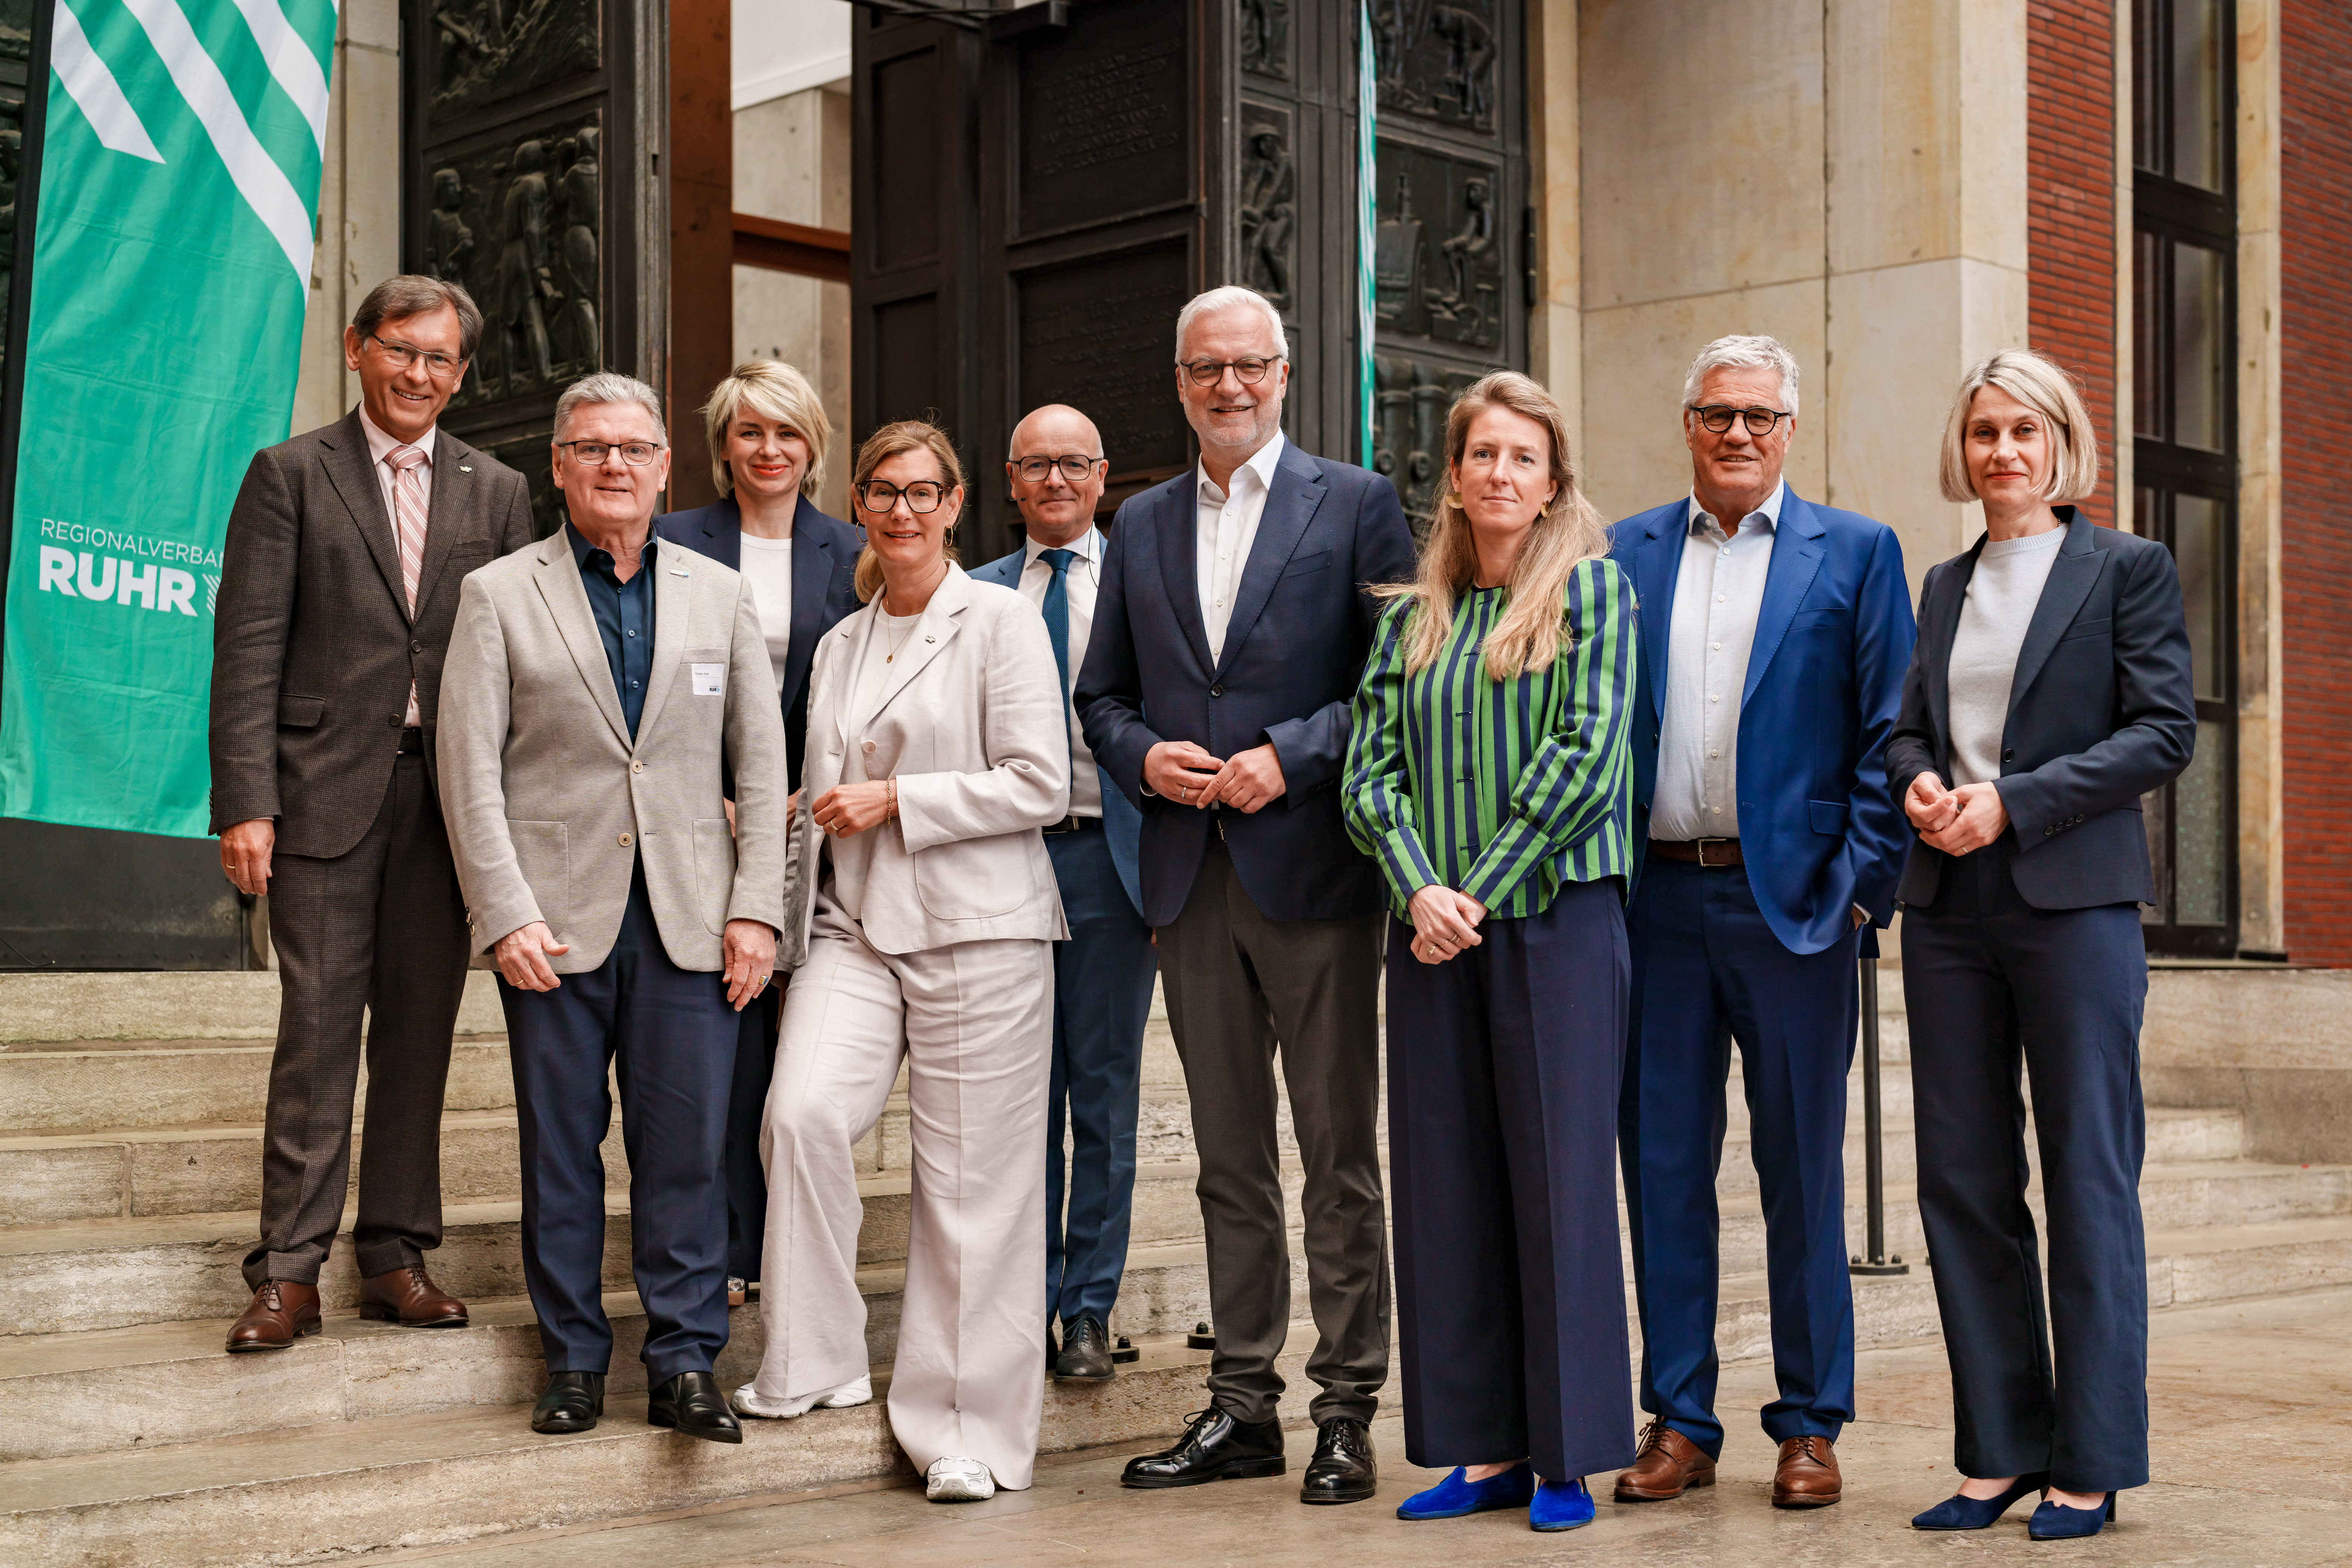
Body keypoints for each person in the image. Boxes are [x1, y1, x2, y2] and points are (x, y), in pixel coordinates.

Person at [1077, 284, 1417, 1506]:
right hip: (1190, 871)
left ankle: (1346, 1407)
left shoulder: (1360, 503)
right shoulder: (1144, 521)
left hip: (1313, 869)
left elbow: (1396, 679)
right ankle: (1244, 1404)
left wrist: (1295, 751)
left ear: (1285, 373)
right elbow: (1103, 693)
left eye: (1251, 365)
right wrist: (1139, 757)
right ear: (1180, 383)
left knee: (1336, 1152)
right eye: (1207, 368)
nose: (1230, 385)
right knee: (1229, 1157)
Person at [435, 372, 787, 1444]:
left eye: (634, 448)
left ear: (666, 466)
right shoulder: (500, 594)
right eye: (591, 449)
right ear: (559, 464)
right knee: (560, 1150)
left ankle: (686, 1363)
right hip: (553, 923)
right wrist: (503, 914)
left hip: (690, 917)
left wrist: (756, 910)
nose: (614, 466)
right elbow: (467, 770)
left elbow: (764, 768)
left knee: (686, 1153)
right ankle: (574, 1361)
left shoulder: (718, 592)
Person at [1890, 350, 2194, 1542]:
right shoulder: (1942, 583)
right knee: (1962, 1182)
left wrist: (2014, 798)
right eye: (1983, 433)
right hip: (1950, 908)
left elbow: (2162, 730)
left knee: (2085, 1175)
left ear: (2063, 444)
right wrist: (1920, 787)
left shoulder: (2127, 568)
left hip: (2073, 907)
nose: (2003, 452)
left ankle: (2093, 1458)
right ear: (1961, 453)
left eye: (2025, 430)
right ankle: (2000, 1450)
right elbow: (1908, 731)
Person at [1607, 335, 1915, 1509]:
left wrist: (1855, 890)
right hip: (1654, 904)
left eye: (1761, 418)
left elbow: (1887, 736)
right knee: (1665, 1172)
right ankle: (1680, 1418)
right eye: (1717, 414)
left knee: (1801, 1176)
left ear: (1792, 428)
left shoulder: (1859, 552)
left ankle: (1808, 1423)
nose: (1739, 435)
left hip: (1795, 911)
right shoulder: (1620, 551)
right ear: (1686, 422)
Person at [737, 421, 1070, 1505]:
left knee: (972, 1188)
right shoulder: (840, 641)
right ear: (861, 502)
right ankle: (814, 1361)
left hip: (981, 928)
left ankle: (965, 1432)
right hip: (853, 926)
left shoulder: (1004, 620)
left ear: (959, 501)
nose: (902, 512)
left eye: (924, 493)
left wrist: (898, 801)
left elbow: (1040, 783)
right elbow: (823, 788)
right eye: (883, 493)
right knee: (801, 1116)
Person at [209, 275, 535, 1354]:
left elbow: (517, 664)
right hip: (322, 798)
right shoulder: (292, 474)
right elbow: (249, 646)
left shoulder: (497, 491)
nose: (420, 375)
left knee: (418, 1037)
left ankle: (395, 1254)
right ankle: (288, 1271)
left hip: (447, 805)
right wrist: (247, 803)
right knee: (315, 1033)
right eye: (403, 350)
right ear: (358, 348)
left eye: (442, 359)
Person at [1343, 372, 1639, 1533]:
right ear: (1455, 478)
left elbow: (1588, 753)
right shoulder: (1411, 618)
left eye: (1523, 457)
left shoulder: (1595, 597)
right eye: (1482, 456)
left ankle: (1563, 1456)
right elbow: (1368, 768)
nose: (1500, 474)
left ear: (1551, 477)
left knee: (1558, 1185)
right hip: (1430, 936)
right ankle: (1480, 1450)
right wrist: (1419, 887)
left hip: (1556, 922)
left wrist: (1475, 888)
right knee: (1445, 1184)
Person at [655, 360, 863, 1306]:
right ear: (722, 445)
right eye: (749, 432)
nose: (767, 449)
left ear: (813, 445)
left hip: (815, 821)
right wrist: (722, 790)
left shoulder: (857, 550)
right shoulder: (669, 540)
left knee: (800, 1037)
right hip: (705, 823)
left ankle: (796, 1241)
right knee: (727, 1035)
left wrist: (798, 789)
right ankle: (734, 1243)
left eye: (786, 432)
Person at [970, 405, 1157, 1382]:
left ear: (1101, 476)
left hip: (1110, 872)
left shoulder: (1141, 583)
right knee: (1014, 1104)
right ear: (1010, 479)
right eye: (1035, 465)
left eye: (1072, 465)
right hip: (1002, 865)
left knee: (1104, 1099)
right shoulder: (973, 593)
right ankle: (1022, 1303)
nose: (1054, 481)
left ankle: (1086, 1309)